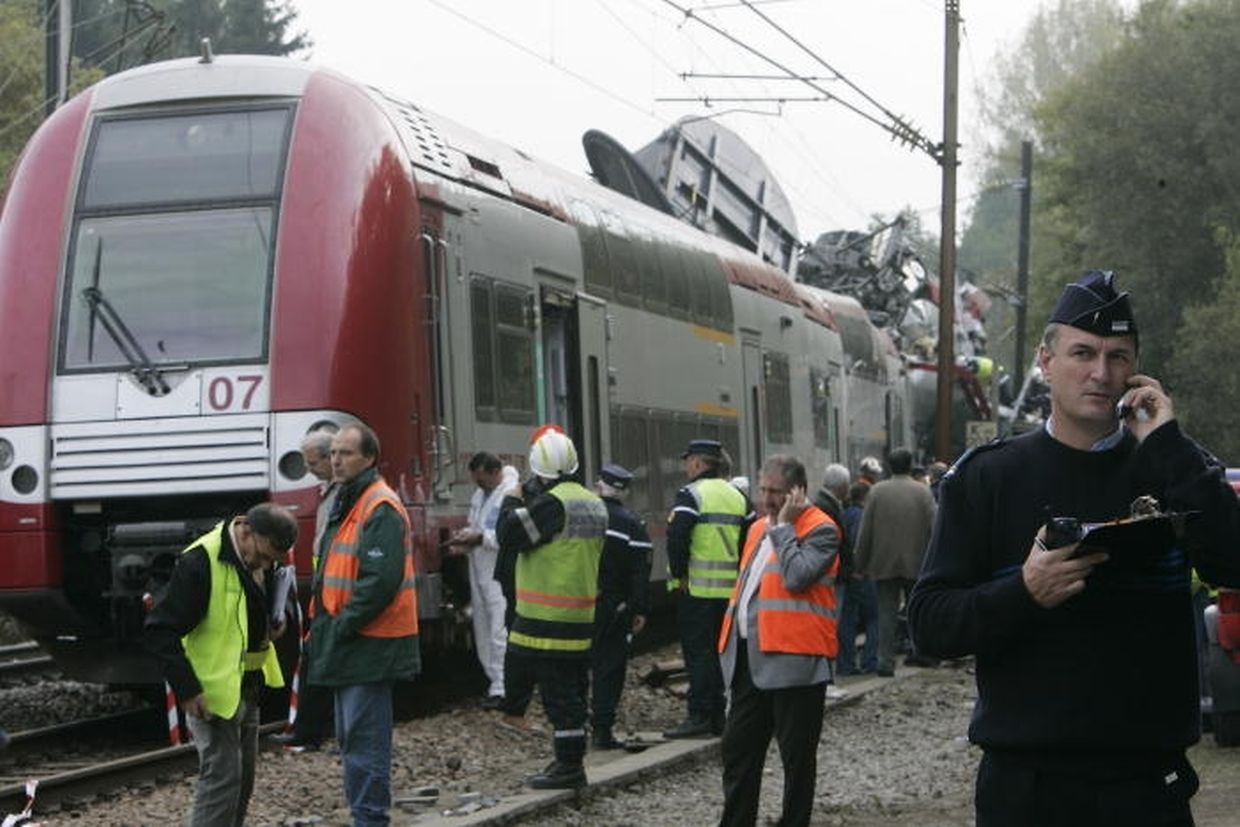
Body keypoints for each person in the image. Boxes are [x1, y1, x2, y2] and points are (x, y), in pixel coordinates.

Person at [908, 270, 1240, 827]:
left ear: (1137, 369)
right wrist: (1025, 592)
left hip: (1147, 786)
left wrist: (1167, 443)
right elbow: (930, 624)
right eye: (1083, 353)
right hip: (1028, 789)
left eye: (1118, 357)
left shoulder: (1175, 466)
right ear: (1045, 360)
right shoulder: (989, 478)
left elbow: (1232, 562)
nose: (1101, 373)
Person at [145, 503, 298, 827]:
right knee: (222, 778)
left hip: (248, 686)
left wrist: (278, 621)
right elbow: (160, 630)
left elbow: (261, 608)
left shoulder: (259, 555)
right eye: (265, 556)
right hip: (211, 692)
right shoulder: (200, 562)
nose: (267, 565)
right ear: (246, 531)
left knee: (242, 781)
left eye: (274, 561)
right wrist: (187, 689)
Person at [717, 454, 841, 827]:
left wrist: (784, 527)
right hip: (749, 662)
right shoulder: (755, 529)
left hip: (796, 663)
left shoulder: (822, 529)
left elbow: (797, 576)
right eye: (763, 489)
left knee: (796, 761)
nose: (767, 498)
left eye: (776, 492)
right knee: (738, 753)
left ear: (797, 492)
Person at [307, 422, 420, 827]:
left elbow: (380, 579)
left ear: (369, 458)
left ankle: (370, 819)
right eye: (334, 452)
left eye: (346, 453)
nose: (336, 460)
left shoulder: (378, 505)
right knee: (352, 735)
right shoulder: (350, 500)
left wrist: (343, 624)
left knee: (364, 737)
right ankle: (365, 816)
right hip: (353, 637)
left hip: (369, 639)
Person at [496, 427, 607, 789]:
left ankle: (569, 766)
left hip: (547, 622)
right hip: (579, 617)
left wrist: (512, 499)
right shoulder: (593, 501)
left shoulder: (553, 504)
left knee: (559, 698)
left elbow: (509, 535)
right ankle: (571, 760)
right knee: (573, 691)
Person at [664, 439, 753, 739]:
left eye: (688, 461)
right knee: (723, 654)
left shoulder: (690, 495)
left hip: (699, 593)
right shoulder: (738, 497)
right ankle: (720, 714)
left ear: (699, 464)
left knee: (699, 655)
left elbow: (677, 538)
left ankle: (701, 715)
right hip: (730, 595)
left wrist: (679, 577)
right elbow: (750, 541)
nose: (686, 466)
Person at [271, 428, 340, 752]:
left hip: (335, 590)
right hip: (325, 587)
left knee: (322, 661)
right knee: (315, 659)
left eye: (314, 463)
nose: (309, 470)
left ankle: (311, 731)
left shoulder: (342, 493)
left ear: (331, 457)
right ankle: (309, 731)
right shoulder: (330, 490)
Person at [853, 448, 936, 677]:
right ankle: (921, 652)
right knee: (916, 610)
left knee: (886, 613)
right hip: (917, 561)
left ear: (889, 467)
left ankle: (885, 662)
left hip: (883, 562)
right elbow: (934, 527)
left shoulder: (877, 492)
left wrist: (859, 564)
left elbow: (865, 531)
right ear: (910, 466)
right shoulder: (923, 492)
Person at [448, 452, 519, 710]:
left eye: (481, 479)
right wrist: (464, 544)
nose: (478, 485)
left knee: (500, 630)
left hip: (500, 573)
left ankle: (504, 687)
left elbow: (509, 535)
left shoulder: (511, 494)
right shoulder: (480, 496)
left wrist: (479, 539)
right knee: (483, 629)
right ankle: (494, 682)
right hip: (479, 570)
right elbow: (477, 528)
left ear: (494, 471)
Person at [590, 463, 653, 749]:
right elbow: (640, 571)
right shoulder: (631, 524)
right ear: (624, 491)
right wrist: (639, 609)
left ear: (599, 485)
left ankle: (572, 727)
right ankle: (602, 730)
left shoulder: (584, 517)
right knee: (609, 666)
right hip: (614, 607)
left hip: (577, 602)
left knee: (576, 666)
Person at [842, 482, 879, 673]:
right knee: (874, 617)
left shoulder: (846, 513)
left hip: (848, 574)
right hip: (862, 573)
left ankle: (845, 664)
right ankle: (870, 661)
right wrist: (861, 567)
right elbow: (859, 544)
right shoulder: (861, 516)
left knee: (848, 618)